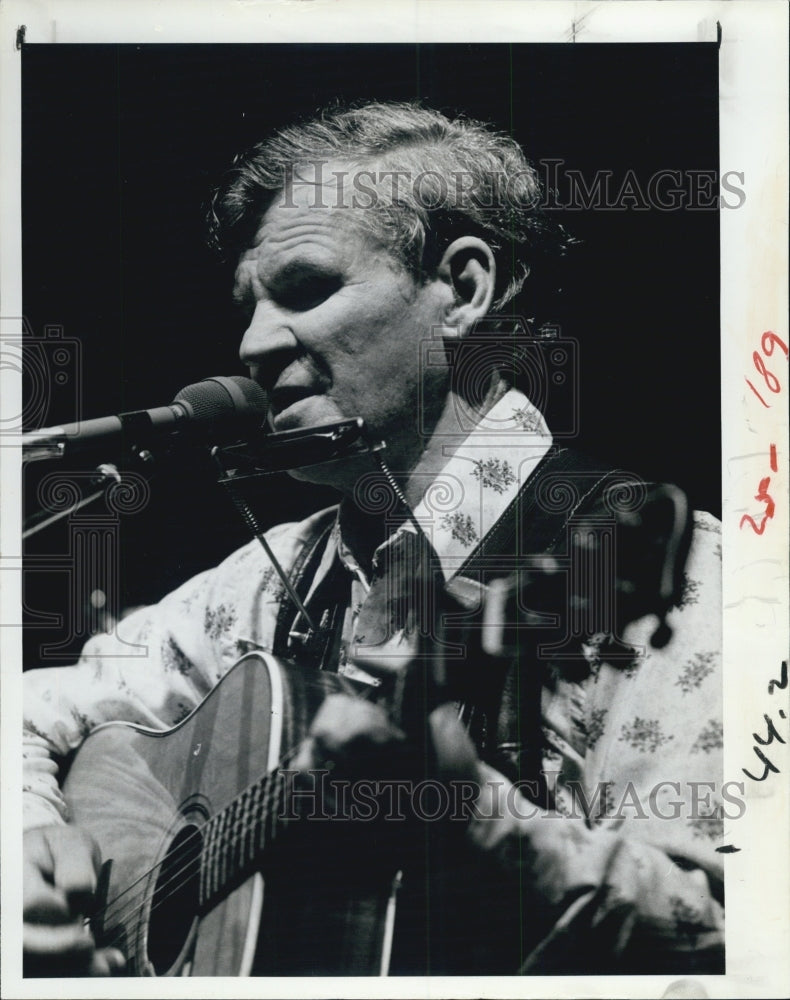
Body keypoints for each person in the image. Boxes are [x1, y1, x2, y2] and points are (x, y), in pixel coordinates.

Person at [23, 101, 724, 976]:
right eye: (248, 306)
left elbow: (726, 937)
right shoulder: (271, 580)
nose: (251, 344)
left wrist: (461, 804)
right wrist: (28, 843)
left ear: (463, 291)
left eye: (307, 289)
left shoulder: (680, 572)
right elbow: (26, 711)